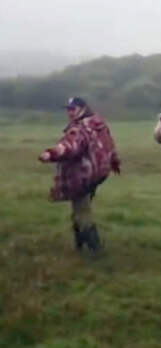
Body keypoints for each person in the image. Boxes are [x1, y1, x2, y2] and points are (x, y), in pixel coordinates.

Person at [38, 97, 120, 251]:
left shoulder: (81, 127)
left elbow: (70, 146)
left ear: (82, 109)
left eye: (73, 109)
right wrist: (113, 161)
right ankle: (80, 244)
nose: (69, 113)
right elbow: (109, 144)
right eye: (68, 109)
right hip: (98, 173)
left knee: (82, 210)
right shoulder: (98, 123)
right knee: (80, 207)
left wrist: (51, 154)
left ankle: (95, 249)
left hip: (83, 175)